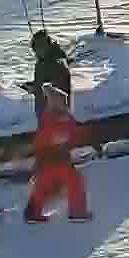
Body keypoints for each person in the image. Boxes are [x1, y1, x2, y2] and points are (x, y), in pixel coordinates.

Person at [24, 86, 92, 222]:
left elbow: (72, 135)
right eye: (63, 102)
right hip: (57, 160)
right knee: (74, 182)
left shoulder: (50, 120)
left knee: (42, 187)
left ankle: (32, 213)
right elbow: (71, 135)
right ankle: (77, 212)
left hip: (46, 161)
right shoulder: (57, 120)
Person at [28, 30, 72, 117]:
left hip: (55, 110)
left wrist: (36, 89)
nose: (37, 52)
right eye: (36, 49)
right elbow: (41, 83)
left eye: (40, 47)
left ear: (47, 46)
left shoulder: (56, 62)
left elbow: (57, 87)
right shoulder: (43, 62)